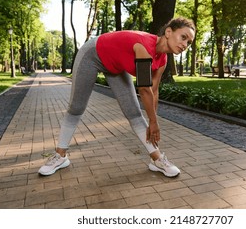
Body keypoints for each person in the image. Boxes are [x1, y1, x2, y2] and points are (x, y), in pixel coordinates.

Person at [38, 17, 196, 177]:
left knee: (134, 113)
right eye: (183, 37)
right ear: (168, 32)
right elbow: (143, 89)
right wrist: (153, 123)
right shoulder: (145, 47)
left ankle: (157, 160)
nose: (185, 45)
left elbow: (153, 91)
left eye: (189, 42)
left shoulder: (163, 60)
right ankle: (60, 156)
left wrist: (152, 121)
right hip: (93, 54)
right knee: (77, 107)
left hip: (115, 65)